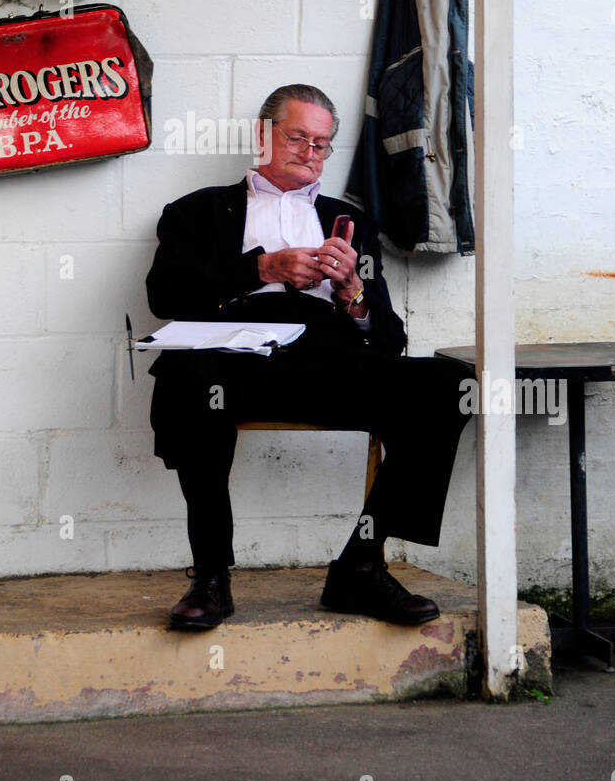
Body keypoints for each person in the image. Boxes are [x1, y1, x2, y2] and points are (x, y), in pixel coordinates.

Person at [145, 85, 471, 631]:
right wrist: (263, 270)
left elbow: (388, 338)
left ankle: (360, 567)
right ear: (263, 135)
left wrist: (352, 295)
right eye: (298, 137)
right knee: (192, 378)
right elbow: (165, 296)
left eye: (322, 144)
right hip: (228, 362)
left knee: (447, 383)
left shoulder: (350, 222)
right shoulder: (197, 212)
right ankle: (210, 577)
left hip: (323, 364)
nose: (310, 153)